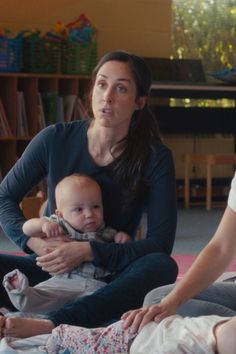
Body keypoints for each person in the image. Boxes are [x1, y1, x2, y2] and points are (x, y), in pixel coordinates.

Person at [0, 49, 178, 338]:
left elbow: (160, 243)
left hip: (108, 278)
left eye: (121, 88)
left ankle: (50, 324)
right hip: (51, 272)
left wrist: (88, 250)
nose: (107, 96)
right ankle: (39, 312)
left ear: (139, 102)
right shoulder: (54, 138)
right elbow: (4, 197)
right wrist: (31, 242)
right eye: (102, 84)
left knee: (160, 266)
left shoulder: (155, 157)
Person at [3, 173, 131, 314]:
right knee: (43, 295)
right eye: (79, 209)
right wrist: (43, 225)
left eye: (95, 206)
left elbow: (120, 251)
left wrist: (121, 237)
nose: (89, 214)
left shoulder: (104, 231)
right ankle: (20, 292)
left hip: (97, 285)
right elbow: (26, 228)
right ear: (60, 214)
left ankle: (41, 320)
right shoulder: (60, 226)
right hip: (63, 282)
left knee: (103, 306)